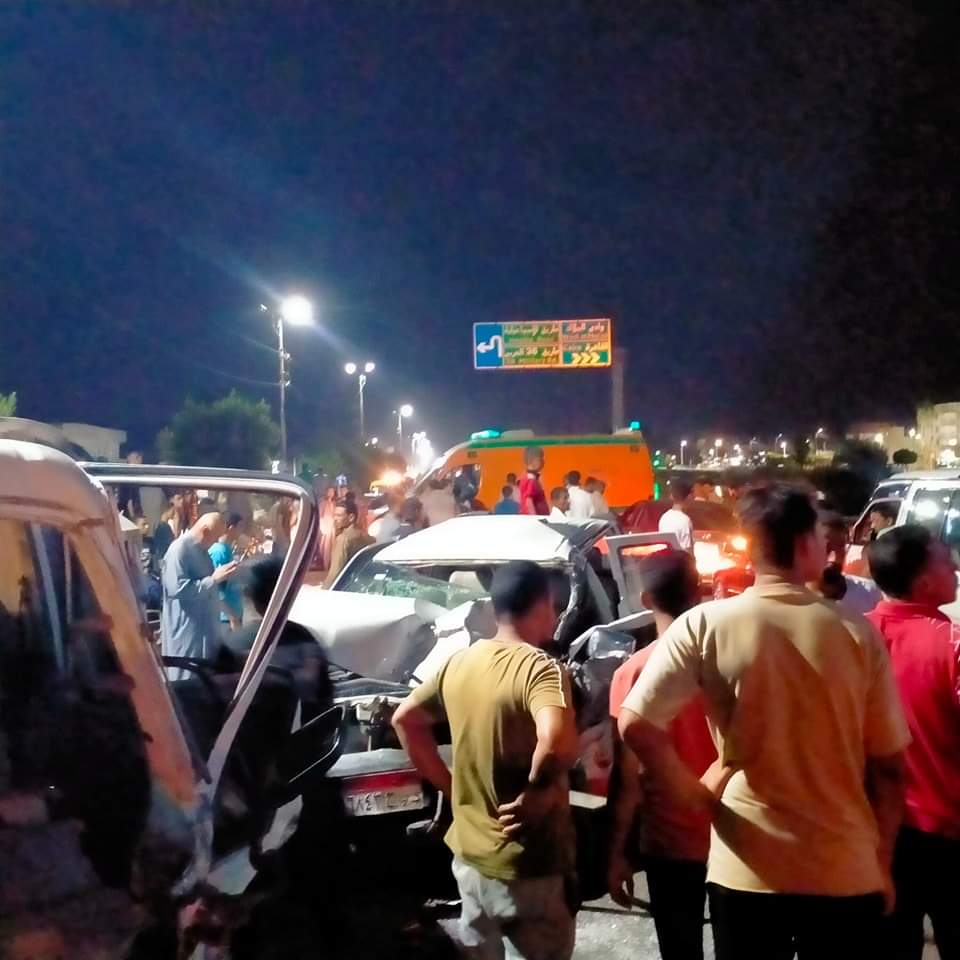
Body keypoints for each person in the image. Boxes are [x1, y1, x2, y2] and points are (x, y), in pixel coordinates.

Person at [618, 483, 910, 960]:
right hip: (843, 868)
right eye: (820, 535)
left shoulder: (704, 625)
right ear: (803, 544)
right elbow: (890, 768)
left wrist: (696, 794)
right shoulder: (856, 632)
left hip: (745, 867)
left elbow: (636, 725)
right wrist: (881, 861)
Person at [392, 561, 579, 960]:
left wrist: (450, 787)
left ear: (495, 610)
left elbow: (404, 720)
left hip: (470, 861)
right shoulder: (541, 669)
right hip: (527, 868)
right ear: (544, 605)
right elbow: (555, 740)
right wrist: (536, 792)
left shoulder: (460, 662)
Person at [607, 549, 716, 960]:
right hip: (733, 834)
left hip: (669, 842)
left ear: (646, 599)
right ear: (699, 592)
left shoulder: (633, 672)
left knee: (680, 949)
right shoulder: (726, 660)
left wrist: (617, 852)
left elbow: (627, 776)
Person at [865, 525, 960, 960]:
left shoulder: (852, 637)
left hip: (870, 831)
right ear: (922, 582)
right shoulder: (950, 643)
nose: (955, 566)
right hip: (946, 831)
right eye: (945, 560)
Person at [161, 513, 238, 679]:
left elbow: (210, 589)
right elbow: (177, 590)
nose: (216, 542)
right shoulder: (179, 550)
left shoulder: (202, 551)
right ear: (205, 531)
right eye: (215, 537)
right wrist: (213, 579)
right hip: (188, 635)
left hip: (206, 635)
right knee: (186, 681)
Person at [815, 510, 881, 615]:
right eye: (827, 548)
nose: (834, 558)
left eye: (840, 547)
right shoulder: (792, 602)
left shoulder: (871, 594)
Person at [323, 499, 374, 588]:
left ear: (351, 517)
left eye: (339, 515)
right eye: (334, 515)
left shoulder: (343, 539)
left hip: (346, 585)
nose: (335, 519)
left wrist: (325, 590)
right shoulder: (366, 536)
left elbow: (335, 571)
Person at [208, 512, 245, 633]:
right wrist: (231, 617)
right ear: (231, 528)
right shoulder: (220, 551)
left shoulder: (227, 549)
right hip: (225, 619)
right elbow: (217, 589)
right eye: (240, 527)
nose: (242, 532)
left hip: (233, 615)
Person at [658, 480, 695, 553]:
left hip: (666, 558)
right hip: (680, 559)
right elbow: (688, 552)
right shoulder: (685, 521)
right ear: (689, 497)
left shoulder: (664, 517)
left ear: (671, 496)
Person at [518, 447, 549, 516]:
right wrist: (534, 518)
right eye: (541, 458)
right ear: (533, 460)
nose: (543, 461)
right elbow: (528, 501)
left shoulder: (529, 477)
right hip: (535, 519)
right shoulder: (530, 479)